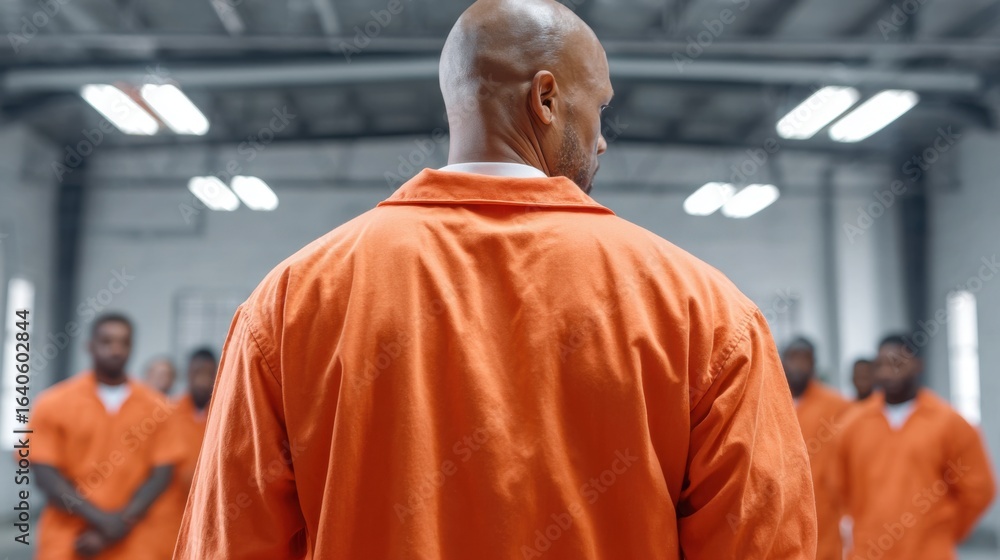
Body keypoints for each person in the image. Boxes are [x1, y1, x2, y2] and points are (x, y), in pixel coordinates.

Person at [175, 1, 816, 558]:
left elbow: (230, 542)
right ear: (545, 99)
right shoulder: (704, 313)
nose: (602, 143)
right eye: (598, 109)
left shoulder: (292, 302)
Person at [28, 313, 183, 559]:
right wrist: (102, 521)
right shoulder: (53, 403)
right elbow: (45, 475)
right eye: (107, 341)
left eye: (123, 342)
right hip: (69, 538)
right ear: (90, 346)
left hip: (135, 539)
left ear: (132, 347)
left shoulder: (158, 409)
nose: (115, 350)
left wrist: (116, 526)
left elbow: (161, 476)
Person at [836, 334, 996, 560]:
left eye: (897, 363)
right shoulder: (852, 425)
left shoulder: (949, 423)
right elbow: (837, 489)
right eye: (881, 365)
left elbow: (979, 489)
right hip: (869, 551)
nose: (888, 372)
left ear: (918, 365)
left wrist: (944, 531)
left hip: (929, 552)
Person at [782, 336, 852, 560]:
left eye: (806, 359)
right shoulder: (767, 401)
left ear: (815, 364)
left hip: (825, 511)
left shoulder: (838, 406)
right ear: (782, 361)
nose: (800, 366)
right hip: (780, 507)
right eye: (794, 358)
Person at [146, 348, 217, 559]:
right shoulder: (167, 412)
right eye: (197, 372)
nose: (202, 380)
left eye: (208, 373)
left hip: (210, 514)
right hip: (170, 516)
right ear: (187, 374)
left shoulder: (224, 413)